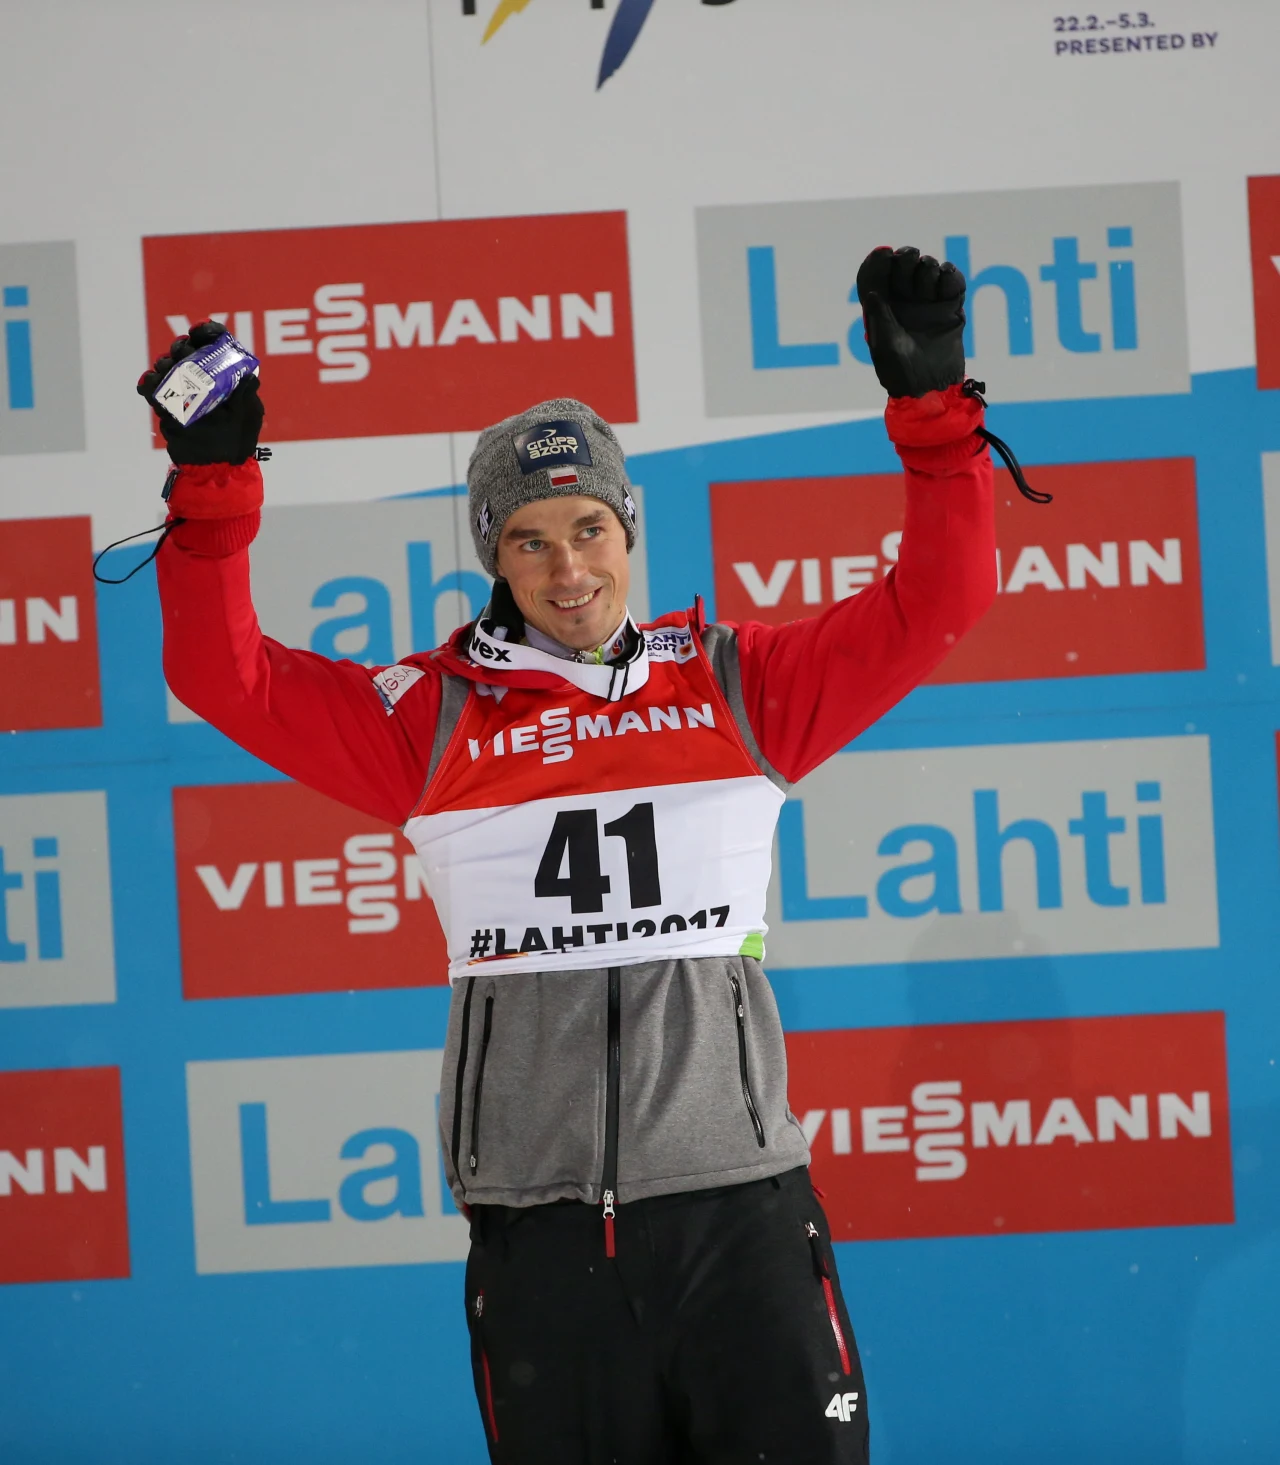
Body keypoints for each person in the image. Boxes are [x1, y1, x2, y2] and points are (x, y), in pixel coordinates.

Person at [140, 245, 999, 1464]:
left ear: (628, 527)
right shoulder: (429, 722)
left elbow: (941, 597)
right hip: (543, 1249)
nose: (568, 569)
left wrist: (933, 416)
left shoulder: (738, 688)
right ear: (493, 554)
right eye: (530, 540)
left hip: (737, 1220)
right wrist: (213, 483)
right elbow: (221, 674)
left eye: (588, 527)